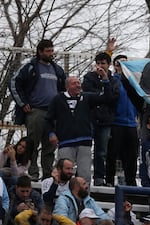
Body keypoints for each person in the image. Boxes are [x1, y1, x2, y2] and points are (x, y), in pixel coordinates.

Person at [8, 39, 66, 181]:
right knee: (32, 144)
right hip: (36, 111)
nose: (51, 53)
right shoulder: (30, 67)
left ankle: (47, 174)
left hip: (53, 113)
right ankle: (33, 172)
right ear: (40, 51)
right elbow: (14, 83)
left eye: (52, 50)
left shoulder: (57, 70)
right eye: (48, 51)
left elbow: (64, 89)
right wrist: (23, 103)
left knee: (50, 145)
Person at [46, 76, 116, 184]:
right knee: (65, 175)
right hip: (65, 142)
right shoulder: (58, 99)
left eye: (79, 83)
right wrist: (51, 133)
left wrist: (105, 80)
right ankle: (64, 198)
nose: (78, 85)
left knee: (85, 175)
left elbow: (107, 98)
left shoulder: (87, 97)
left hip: (84, 142)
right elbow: (48, 119)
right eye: (74, 83)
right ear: (67, 86)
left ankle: (84, 199)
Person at [82, 52, 119, 186]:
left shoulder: (113, 80)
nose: (100, 66)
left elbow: (113, 98)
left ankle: (99, 178)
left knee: (101, 151)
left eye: (103, 63)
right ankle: (82, 176)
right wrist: (103, 95)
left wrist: (105, 82)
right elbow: (87, 95)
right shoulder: (88, 77)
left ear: (108, 65)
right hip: (90, 118)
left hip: (106, 120)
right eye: (98, 63)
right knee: (85, 149)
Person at [105, 53, 139, 187]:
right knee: (112, 153)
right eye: (119, 63)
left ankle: (131, 181)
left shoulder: (133, 82)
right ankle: (109, 180)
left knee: (131, 155)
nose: (123, 65)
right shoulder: (113, 80)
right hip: (116, 122)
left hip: (131, 123)